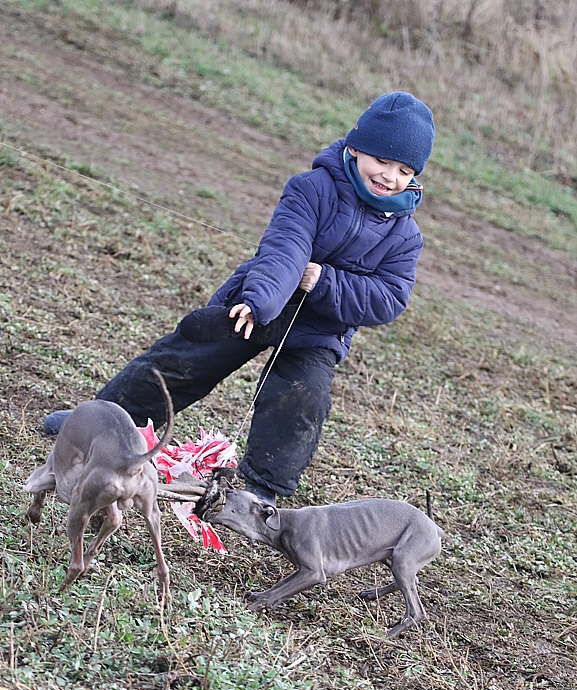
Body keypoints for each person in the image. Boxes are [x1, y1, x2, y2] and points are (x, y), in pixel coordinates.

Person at [44, 92, 435, 505]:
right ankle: (101, 425)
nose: (389, 176)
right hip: (258, 302)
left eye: (404, 169)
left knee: (302, 399)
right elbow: (285, 248)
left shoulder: (405, 237)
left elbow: (390, 296)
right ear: (355, 148)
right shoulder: (312, 189)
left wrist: (323, 282)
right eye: (381, 160)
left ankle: (260, 491)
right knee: (183, 361)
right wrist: (261, 301)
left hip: (321, 331)